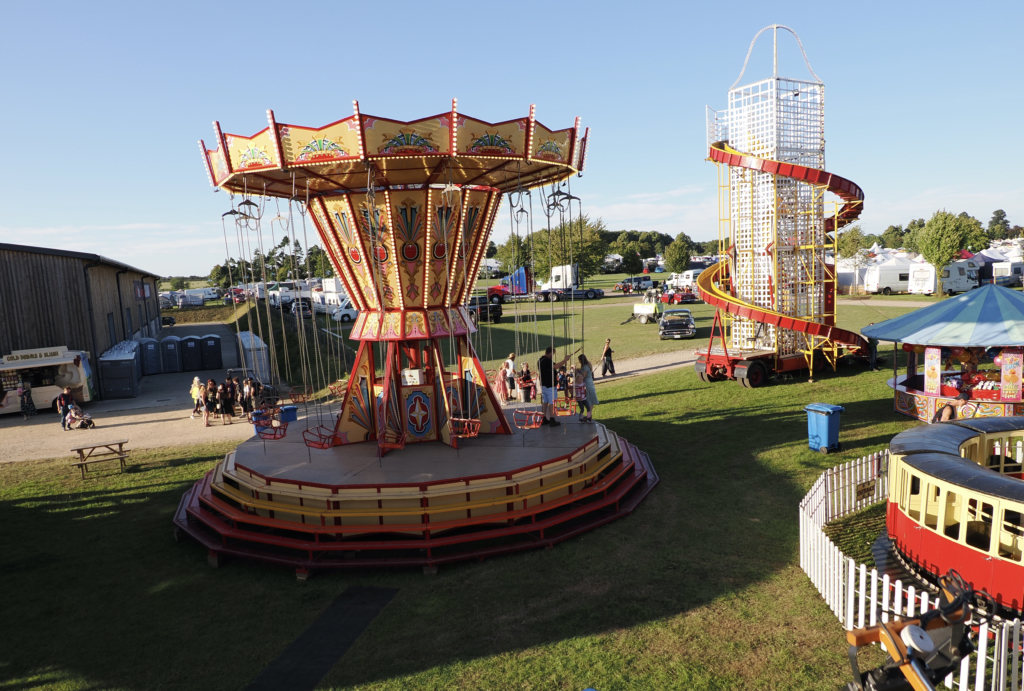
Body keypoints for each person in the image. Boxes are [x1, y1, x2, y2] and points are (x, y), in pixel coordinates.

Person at [537, 346, 573, 426]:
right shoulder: (547, 361)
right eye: (553, 354)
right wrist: (565, 360)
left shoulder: (540, 360)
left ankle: (543, 418)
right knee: (552, 402)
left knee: (545, 402)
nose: (553, 355)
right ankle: (552, 419)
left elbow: (556, 365)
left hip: (543, 385)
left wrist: (564, 360)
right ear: (550, 353)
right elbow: (556, 366)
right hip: (550, 385)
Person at [576, 354, 598, 422]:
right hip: (590, 382)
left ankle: (589, 416)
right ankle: (589, 415)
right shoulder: (589, 364)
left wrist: (577, 372)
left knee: (588, 400)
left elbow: (583, 375)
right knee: (590, 400)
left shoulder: (585, 367)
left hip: (587, 384)